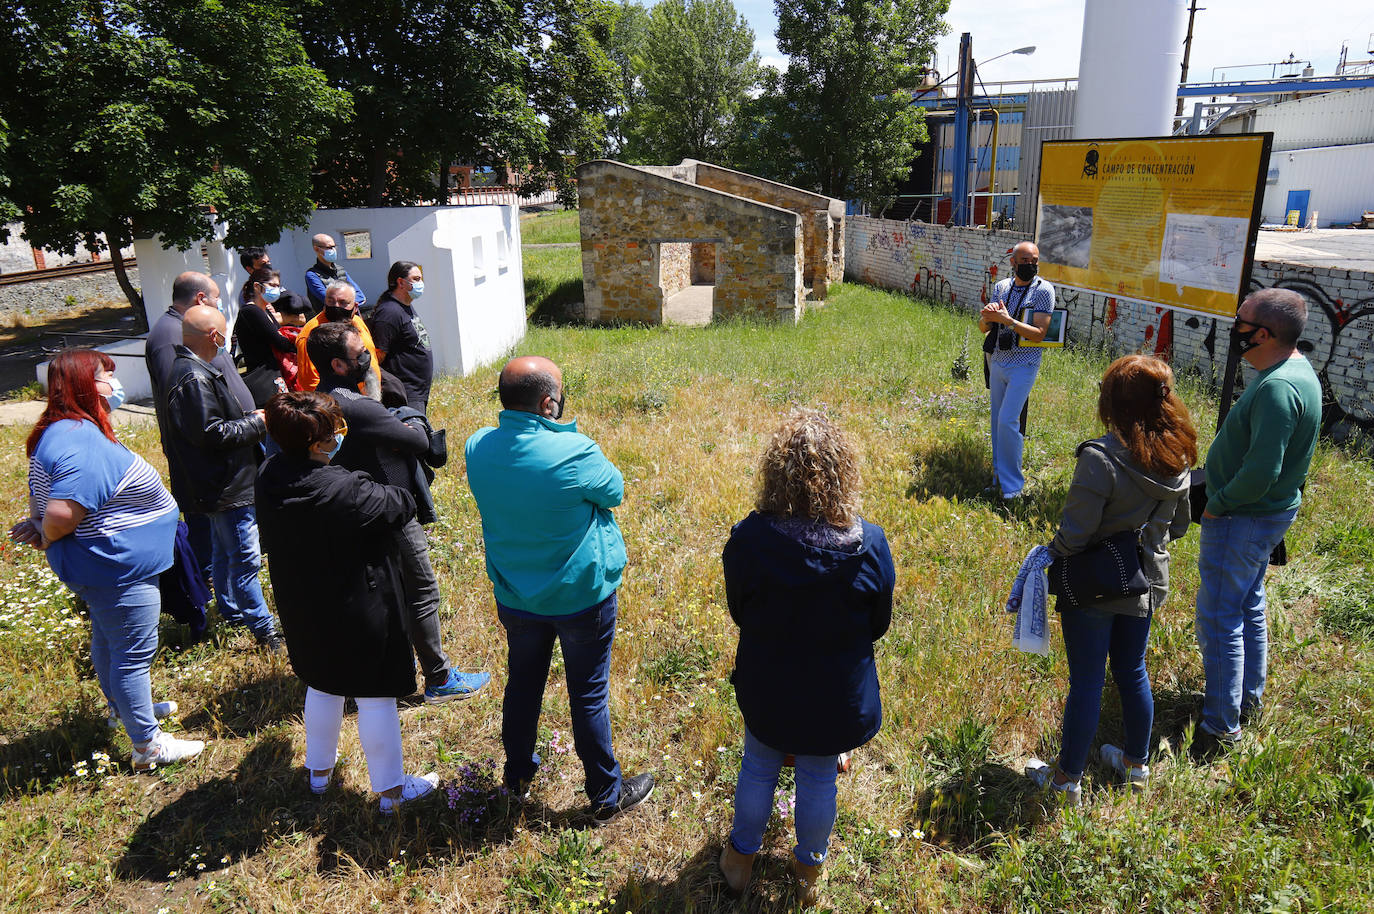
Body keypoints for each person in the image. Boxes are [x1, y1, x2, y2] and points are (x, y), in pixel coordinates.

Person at [465, 356, 654, 825]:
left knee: (523, 683)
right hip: (580, 598)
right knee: (587, 694)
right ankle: (605, 794)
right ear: (549, 403)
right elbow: (614, 491)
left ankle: (517, 774)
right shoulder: (575, 451)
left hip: (515, 596)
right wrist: (563, 434)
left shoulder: (476, 447)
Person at [717, 409, 895, 908]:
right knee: (819, 776)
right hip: (835, 694)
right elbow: (877, 624)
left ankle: (739, 863)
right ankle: (807, 873)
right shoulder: (871, 545)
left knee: (758, 766)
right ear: (845, 475)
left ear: (775, 473)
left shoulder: (749, 540)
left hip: (769, 684)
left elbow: (740, 610)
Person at [9, 350, 203, 770]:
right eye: (104, 376)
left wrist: (42, 526)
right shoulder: (82, 440)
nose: (112, 384)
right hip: (117, 568)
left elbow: (45, 500)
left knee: (108, 640)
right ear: (83, 386)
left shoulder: (61, 429)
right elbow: (61, 512)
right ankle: (148, 746)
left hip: (102, 566)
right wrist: (46, 531)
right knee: (133, 653)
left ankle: (125, 710)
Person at [255, 391, 438, 813]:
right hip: (360, 607)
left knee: (322, 682)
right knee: (375, 695)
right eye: (335, 429)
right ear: (319, 444)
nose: (342, 433)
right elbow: (401, 504)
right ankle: (392, 792)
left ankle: (319, 774)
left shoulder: (269, 473)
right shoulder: (346, 489)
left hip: (303, 603)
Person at [1023, 355, 1195, 804]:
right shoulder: (1178, 458)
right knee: (1132, 670)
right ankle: (1136, 765)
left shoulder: (1099, 459)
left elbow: (1075, 537)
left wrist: (1046, 555)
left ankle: (1065, 782)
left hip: (1096, 584)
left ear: (1113, 405)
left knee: (1086, 681)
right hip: (1147, 583)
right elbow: (1178, 527)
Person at [307, 321, 490, 704]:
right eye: (361, 354)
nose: (368, 357)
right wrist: (407, 417)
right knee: (420, 590)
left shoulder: (319, 401)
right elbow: (418, 440)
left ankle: (380, 673)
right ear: (339, 365)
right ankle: (439, 679)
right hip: (390, 511)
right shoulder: (356, 407)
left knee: (381, 595)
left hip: (351, 512)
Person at [1196, 288, 1321, 745]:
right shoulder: (1293, 370)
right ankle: (1247, 697)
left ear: (1263, 333)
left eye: (1241, 323)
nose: (1235, 329)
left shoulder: (1278, 389)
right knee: (1248, 603)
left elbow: (1263, 472)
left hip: (1242, 518)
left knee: (1219, 618)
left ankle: (1220, 727)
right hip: (1263, 516)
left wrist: (1217, 503)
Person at [162, 305, 281, 648]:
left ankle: (232, 612)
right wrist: (259, 423)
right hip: (227, 485)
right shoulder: (194, 377)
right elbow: (213, 434)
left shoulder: (192, 369)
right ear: (215, 336)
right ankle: (263, 629)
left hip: (221, 483)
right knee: (244, 559)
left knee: (225, 554)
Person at [146, 272, 253, 585]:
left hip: (232, 435)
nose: (220, 303)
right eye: (217, 297)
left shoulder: (193, 327)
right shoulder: (170, 334)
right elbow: (187, 402)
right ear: (201, 299)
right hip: (210, 450)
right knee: (212, 533)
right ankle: (206, 585)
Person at [978, 241, 1055, 502]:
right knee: (997, 422)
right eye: (1024, 261)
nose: (1030, 265)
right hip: (999, 359)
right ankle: (998, 478)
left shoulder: (1043, 290)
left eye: (1034, 261)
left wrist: (1009, 321)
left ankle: (1013, 487)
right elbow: (983, 327)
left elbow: (1040, 334)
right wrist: (988, 317)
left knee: (1009, 421)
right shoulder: (1001, 287)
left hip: (1025, 363)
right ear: (1013, 261)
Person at [295, 281, 381, 397]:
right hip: (344, 405)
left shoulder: (357, 322)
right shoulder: (312, 335)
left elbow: (372, 355)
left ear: (355, 307)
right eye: (331, 301)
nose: (336, 306)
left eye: (343, 302)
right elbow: (310, 382)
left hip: (371, 395)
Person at [369, 261, 434, 413]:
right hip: (406, 394)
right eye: (416, 279)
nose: (421, 283)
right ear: (400, 282)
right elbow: (378, 356)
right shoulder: (389, 313)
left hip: (417, 390)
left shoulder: (404, 305)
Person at [235, 266, 298, 406]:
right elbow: (280, 342)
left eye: (278, 286)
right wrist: (300, 342)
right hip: (264, 377)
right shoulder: (251, 311)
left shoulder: (265, 311)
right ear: (257, 287)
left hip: (275, 371)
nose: (276, 289)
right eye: (272, 285)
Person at [303, 233, 367, 316]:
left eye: (334, 246)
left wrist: (349, 302)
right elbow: (329, 300)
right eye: (329, 247)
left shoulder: (340, 270)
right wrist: (349, 301)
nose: (333, 250)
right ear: (316, 249)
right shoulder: (312, 275)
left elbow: (360, 296)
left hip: (348, 318)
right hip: (328, 322)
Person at [237, 246, 310, 315]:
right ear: (250, 269)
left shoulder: (276, 285)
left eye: (268, 262)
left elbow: (301, 318)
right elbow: (262, 320)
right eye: (263, 264)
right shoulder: (247, 294)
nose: (268, 266)